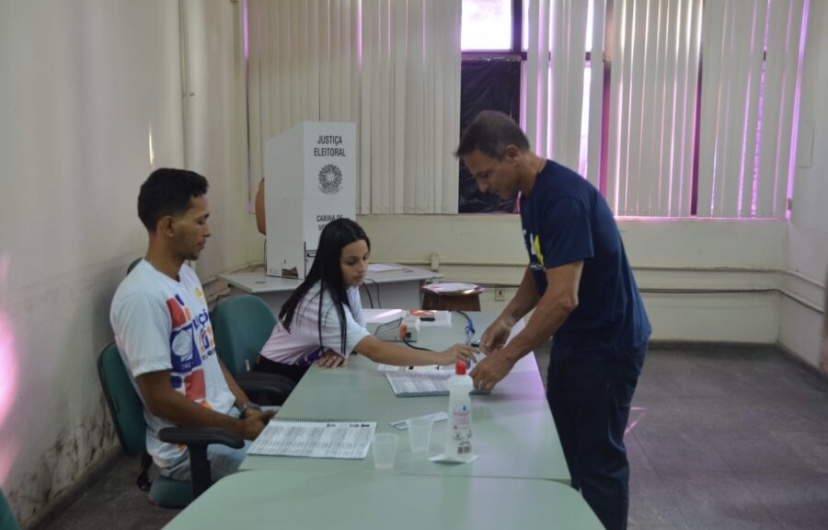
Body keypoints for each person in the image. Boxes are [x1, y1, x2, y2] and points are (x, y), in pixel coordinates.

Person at [455, 110, 651, 530]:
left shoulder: (563, 197)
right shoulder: (532, 197)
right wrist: (508, 316)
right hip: (578, 340)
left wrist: (506, 358)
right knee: (562, 449)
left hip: (608, 342)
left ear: (513, 154)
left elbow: (563, 297)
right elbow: (541, 265)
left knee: (598, 458)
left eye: (487, 175)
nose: (484, 187)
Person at [110, 168, 276, 483]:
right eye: (200, 221)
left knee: (316, 431)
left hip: (226, 423)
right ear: (169, 226)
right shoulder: (142, 297)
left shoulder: (185, 276)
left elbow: (210, 356)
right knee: (299, 468)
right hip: (192, 447)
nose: (208, 231)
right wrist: (239, 429)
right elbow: (161, 400)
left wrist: (247, 407)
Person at [254, 218, 474, 383]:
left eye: (365, 258)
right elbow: (374, 350)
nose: (362, 268)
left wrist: (342, 346)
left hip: (307, 366)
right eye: (351, 262)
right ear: (331, 263)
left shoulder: (346, 286)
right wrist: (440, 357)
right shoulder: (320, 303)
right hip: (278, 377)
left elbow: (360, 333)